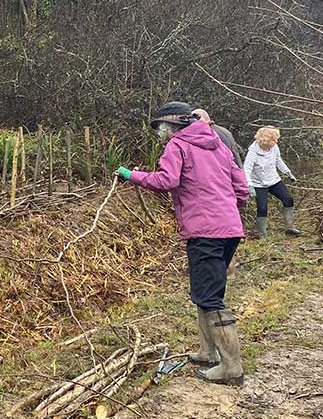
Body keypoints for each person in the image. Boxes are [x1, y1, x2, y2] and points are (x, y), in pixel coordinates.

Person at [115, 101, 249, 386]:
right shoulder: (218, 145)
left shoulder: (177, 146)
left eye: (160, 129)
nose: (160, 134)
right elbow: (241, 188)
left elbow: (166, 180)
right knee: (205, 292)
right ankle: (207, 352)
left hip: (205, 231)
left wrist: (131, 175)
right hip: (229, 230)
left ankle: (231, 367)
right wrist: (225, 208)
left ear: (169, 127)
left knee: (210, 297)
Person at [242, 125, 301, 238]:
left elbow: (278, 161)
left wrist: (288, 173)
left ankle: (290, 227)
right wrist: (249, 185)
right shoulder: (253, 152)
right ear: (266, 140)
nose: (276, 141)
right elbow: (247, 169)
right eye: (274, 139)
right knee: (262, 208)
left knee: (288, 199)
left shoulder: (274, 147)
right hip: (258, 184)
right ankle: (262, 235)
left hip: (274, 180)